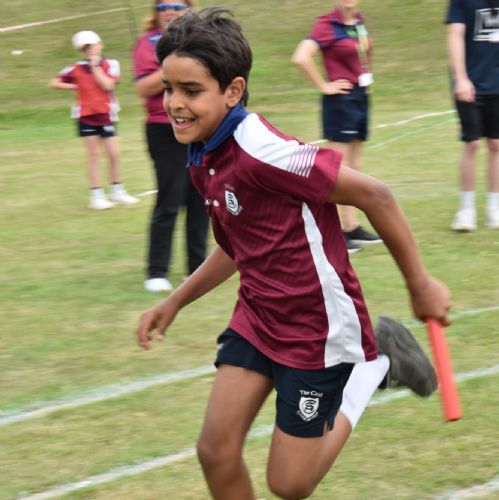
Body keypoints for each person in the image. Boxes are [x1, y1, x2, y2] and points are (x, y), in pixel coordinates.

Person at [135, 8, 451, 499]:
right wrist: (175, 300)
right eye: (168, 89)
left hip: (316, 328)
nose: (175, 103)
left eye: (191, 91)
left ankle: (378, 363)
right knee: (215, 451)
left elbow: (376, 195)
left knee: (289, 484)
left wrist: (421, 283)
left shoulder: (263, 151)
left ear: (233, 91)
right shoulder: (203, 153)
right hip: (258, 314)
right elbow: (236, 247)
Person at [292, 0, 381, 253]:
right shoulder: (327, 24)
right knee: (337, 170)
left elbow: (362, 55)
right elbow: (300, 57)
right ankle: (334, 231)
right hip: (340, 100)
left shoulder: (358, 21)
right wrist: (324, 85)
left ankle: (351, 226)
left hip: (360, 96)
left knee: (355, 166)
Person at [133, 1, 209, 292]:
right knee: (170, 197)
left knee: (201, 199)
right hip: (164, 129)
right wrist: (175, 61)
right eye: (163, 5)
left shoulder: (202, 42)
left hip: (199, 125)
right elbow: (143, 88)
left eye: (177, 5)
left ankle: (197, 269)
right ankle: (157, 271)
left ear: (189, 8)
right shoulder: (148, 42)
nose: (169, 10)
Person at [50, 30, 138, 210]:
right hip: (86, 116)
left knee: (114, 154)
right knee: (94, 156)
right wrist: (76, 86)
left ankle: (117, 191)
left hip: (106, 115)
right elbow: (54, 82)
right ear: (82, 51)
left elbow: (108, 85)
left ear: (100, 44)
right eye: (86, 48)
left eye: (93, 45)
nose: (90, 50)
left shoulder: (111, 64)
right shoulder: (75, 68)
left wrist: (96, 67)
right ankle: (96, 196)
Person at [446, 0, 499, 231]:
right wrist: (460, 78)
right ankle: (466, 210)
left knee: (496, 144)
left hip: (496, 83)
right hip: (470, 83)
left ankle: (494, 208)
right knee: (472, 143)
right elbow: (455, 35)